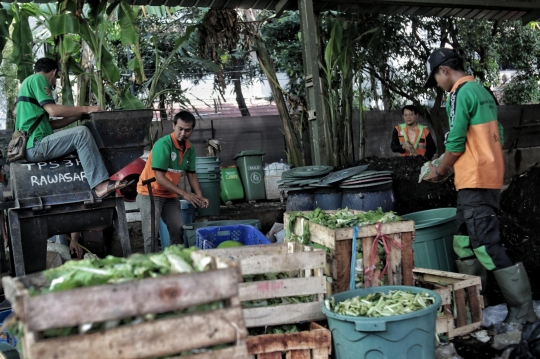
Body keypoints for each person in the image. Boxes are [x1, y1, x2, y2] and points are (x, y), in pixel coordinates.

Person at [423, 48, 538, 324]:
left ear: (445, 71)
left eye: (436, 78)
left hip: (475, 182)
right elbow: (497, 133)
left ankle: (523, 312)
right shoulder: (483, 92)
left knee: (486, 245)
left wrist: (440, 169)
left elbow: (456, 141)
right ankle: (474, 303)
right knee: (463, 241)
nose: (438, 84)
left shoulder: (459, 93)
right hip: (481, 180)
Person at [15, 57, 132, 199]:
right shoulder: (38, 79)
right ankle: (101, 186)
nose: (53, 83)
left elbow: (51, 124)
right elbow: (53, 110)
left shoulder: (28, 84)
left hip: (32, 145)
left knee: (79, 133)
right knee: (81, 133)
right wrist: (86, 108)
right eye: (56, 78)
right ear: (54, 72)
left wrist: (77, 116)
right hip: (36, 145)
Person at [136, 111, 209, 253]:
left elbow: (191, 175)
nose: (183, 133)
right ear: (173, 125)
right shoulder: (163, 144)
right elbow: (160, 178)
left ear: (192, 130)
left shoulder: (190, 149)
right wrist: (185, 194)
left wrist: (199, 196)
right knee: (151, 234)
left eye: (187, 130)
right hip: (149, 193)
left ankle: (175, 263)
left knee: (177, 230)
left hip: (169, 195)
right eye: (180, 129)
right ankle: (151, 269)